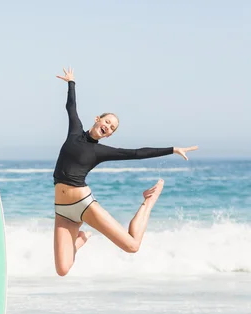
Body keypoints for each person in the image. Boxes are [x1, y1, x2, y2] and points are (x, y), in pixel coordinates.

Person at [53, 67, 197, 276]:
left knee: (132, 246)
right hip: (62, 210)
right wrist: (71, 83)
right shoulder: (75, 130)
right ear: (97, 119)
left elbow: (138, 153)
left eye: (112, 128)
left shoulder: (99, 151)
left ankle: (148, 201)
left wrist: (173, 149)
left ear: (109, 135)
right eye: (107, 122)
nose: (108, 127)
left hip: (83, 205)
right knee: (62, 269)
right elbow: (71, 107)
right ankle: (82, 239)